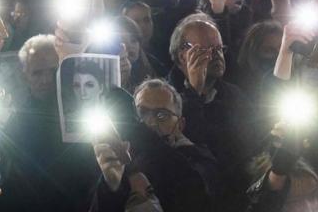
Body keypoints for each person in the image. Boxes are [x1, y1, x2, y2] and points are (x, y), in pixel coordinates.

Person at [0, 35, 100, 212]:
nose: (46, 79)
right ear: (24, 75)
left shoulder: (82, 108)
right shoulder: (17, 122)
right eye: (37, 72)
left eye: (53, 70)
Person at [90, 78, 219, 212]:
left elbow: (194, 196)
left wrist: (139, 132)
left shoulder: (199, 159)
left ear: (180, 125)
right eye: (141, 113)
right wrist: (109, 188)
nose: (150, 122)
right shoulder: (117, 161)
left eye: (162, 115)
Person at [167, 17, 255, 211]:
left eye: (219, 49)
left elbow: (249, 147)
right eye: (207, 50)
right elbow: (183, 149)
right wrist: (193, 93)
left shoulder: (234, 95)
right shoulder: (164, 98)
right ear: (183, 55)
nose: (217, 56)